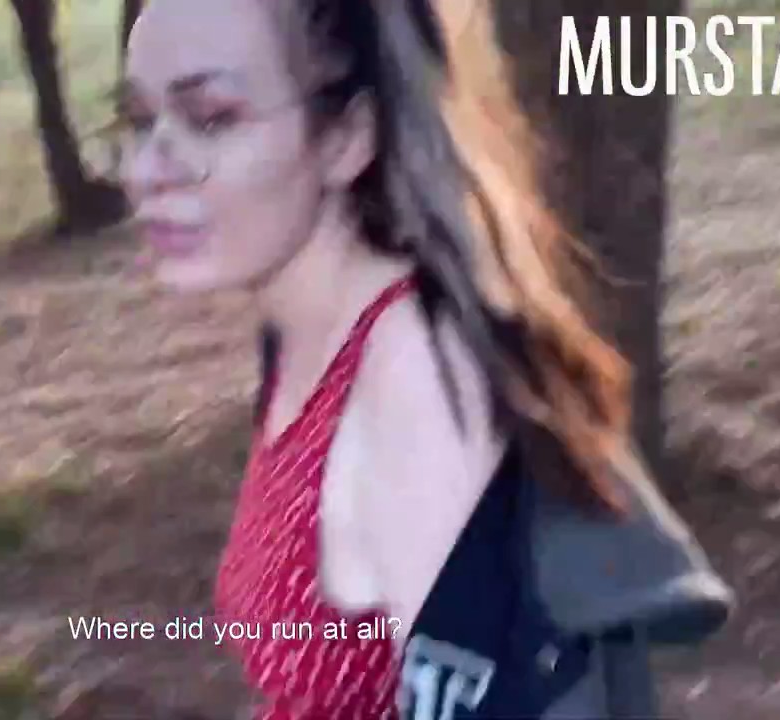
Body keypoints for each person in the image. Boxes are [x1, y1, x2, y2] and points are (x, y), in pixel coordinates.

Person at [117, 0, 733, 717]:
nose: (147, 170)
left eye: (211, 118)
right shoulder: (300, 336)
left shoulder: (415, 381)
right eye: (138, 120)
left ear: (348, 136)